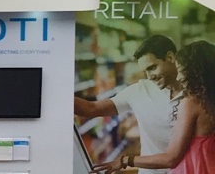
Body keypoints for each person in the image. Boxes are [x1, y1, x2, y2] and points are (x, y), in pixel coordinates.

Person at [92, 39, 215, 173]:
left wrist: (125, 160)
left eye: (182, 71)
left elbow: (170, 159)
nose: (179, 77)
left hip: (192, 167)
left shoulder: (191, 102)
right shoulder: (208, 99)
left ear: (196, 71)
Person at [76, 34, 185, 164]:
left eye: (152, 68)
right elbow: (91, 109)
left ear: (170, 57)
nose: (150, 77)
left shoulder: (197, 92)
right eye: (146, 72)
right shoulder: (139, 91)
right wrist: (59, 96)